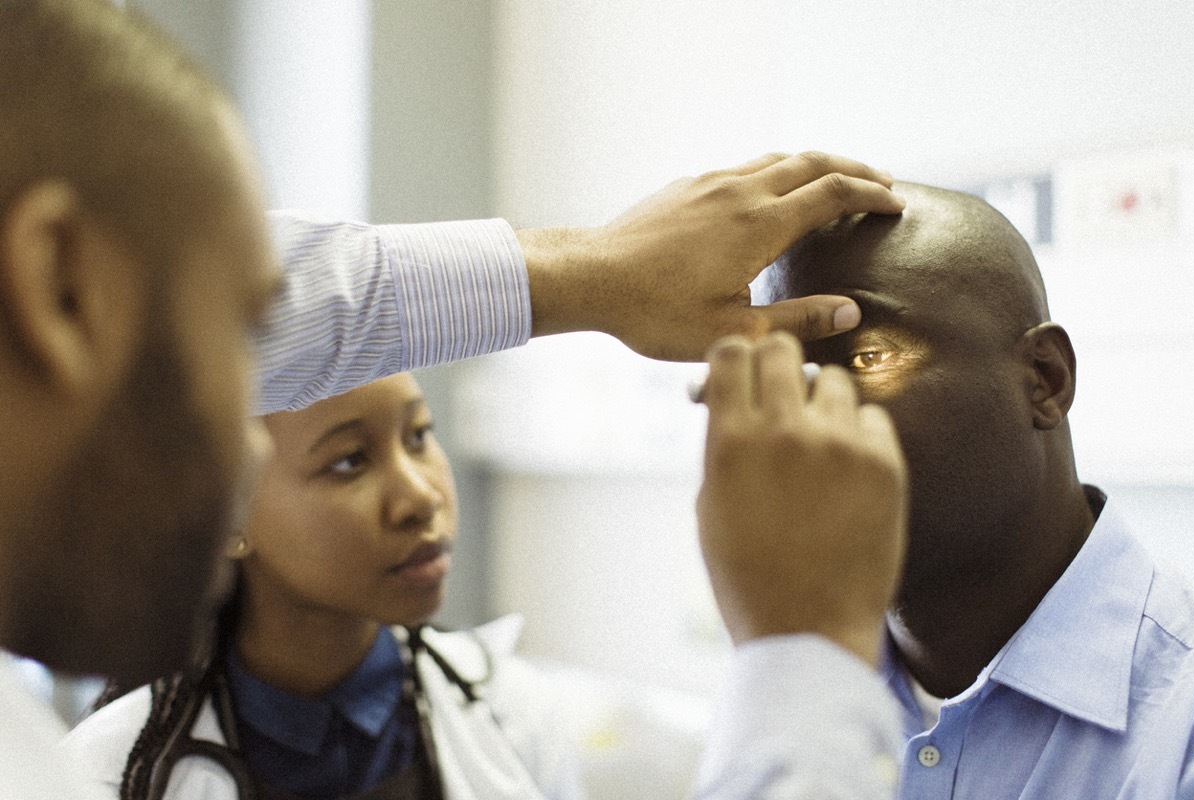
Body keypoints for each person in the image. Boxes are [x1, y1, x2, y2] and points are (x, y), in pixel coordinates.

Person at [0, 1, 908, 798]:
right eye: (237, 342)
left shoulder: (511, 715)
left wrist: (591, 273)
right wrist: (806, 664)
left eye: (421, 434)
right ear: (60, 286)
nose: (245, 452)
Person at [761, 182, 1194, 798]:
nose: (806, 418)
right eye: (783, 375)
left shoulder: (1182, 729)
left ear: (1043, 380)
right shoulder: (795, 687)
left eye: (867, 357)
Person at [64, 372, 583, 800]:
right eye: (349, 460)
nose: (421, 498)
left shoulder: (517, 716)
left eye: (418, 435)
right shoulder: (101, 779)